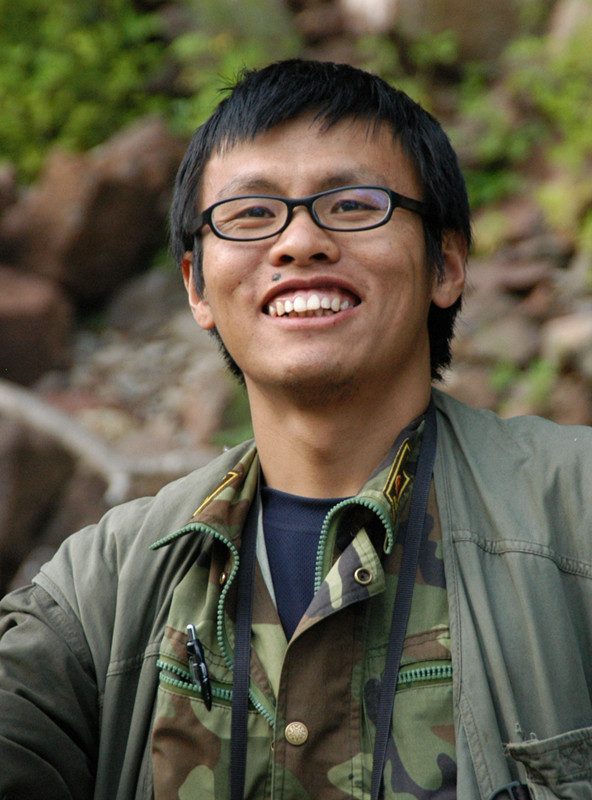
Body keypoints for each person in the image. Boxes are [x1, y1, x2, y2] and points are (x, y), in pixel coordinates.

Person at [0, 59, 591, 800]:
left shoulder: (574, 513)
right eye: (251, 213)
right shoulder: (103, 590)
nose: (299, 241)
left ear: (445, 263)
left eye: (353, 204)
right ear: (196, 286)